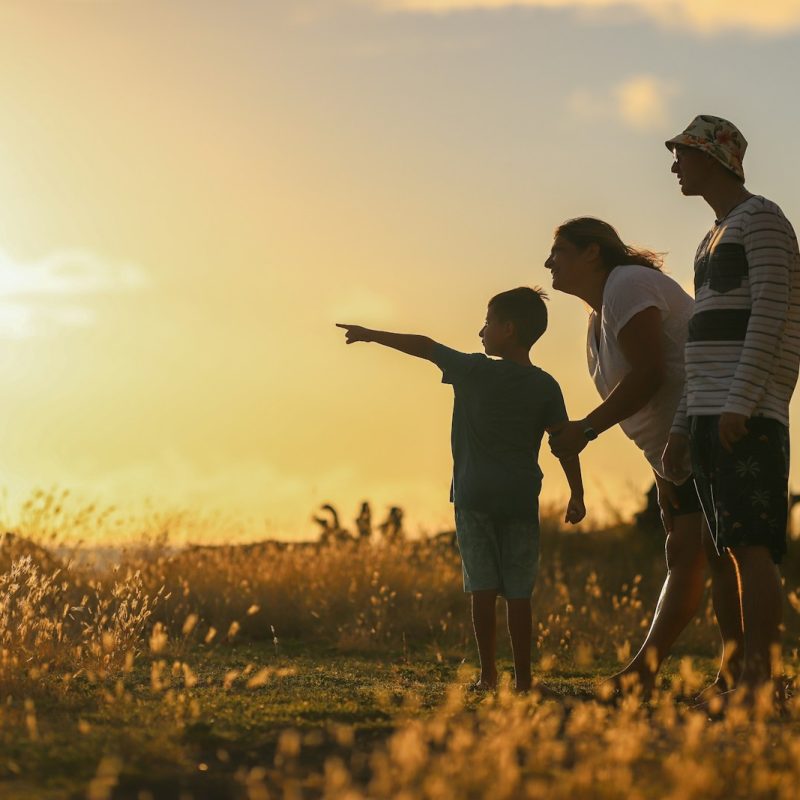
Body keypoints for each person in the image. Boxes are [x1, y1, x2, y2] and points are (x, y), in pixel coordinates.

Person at [337, 287, 585, 692]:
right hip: (521, 499)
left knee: (482, 588)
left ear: (508, 329)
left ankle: (488, 676)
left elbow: (425, 346)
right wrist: (577, 493)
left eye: (488, 323)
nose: (481, 331)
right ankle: (523, 680)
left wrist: (372, 334)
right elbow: (563, 443)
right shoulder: (546, 386)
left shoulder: (473, 370)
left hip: (474, 498)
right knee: (519, 593)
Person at [544, 217, 735, 697]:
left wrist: (586, 429)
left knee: (716, 552)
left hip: (707, 426)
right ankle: (685, 672)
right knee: (691, 554)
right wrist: (663, 474)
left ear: (593, 253)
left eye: (560, 250)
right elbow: (652, 393)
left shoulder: (627, 285)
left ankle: (724, 673)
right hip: (677, 448)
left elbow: (651, 374)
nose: (549, 262)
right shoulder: (599, 315)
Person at [662, 115, 800, 697]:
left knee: (751, 547)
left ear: (716, 160)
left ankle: (759, 686)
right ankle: (738, 677)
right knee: (727, 552)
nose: (675, 165)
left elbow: (774, 315)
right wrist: (680, 424)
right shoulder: (711, 237)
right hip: (706, 416)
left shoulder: (764, 220)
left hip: (746, 415)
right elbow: (701, 340)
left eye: (684, 154)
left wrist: (742, 402)